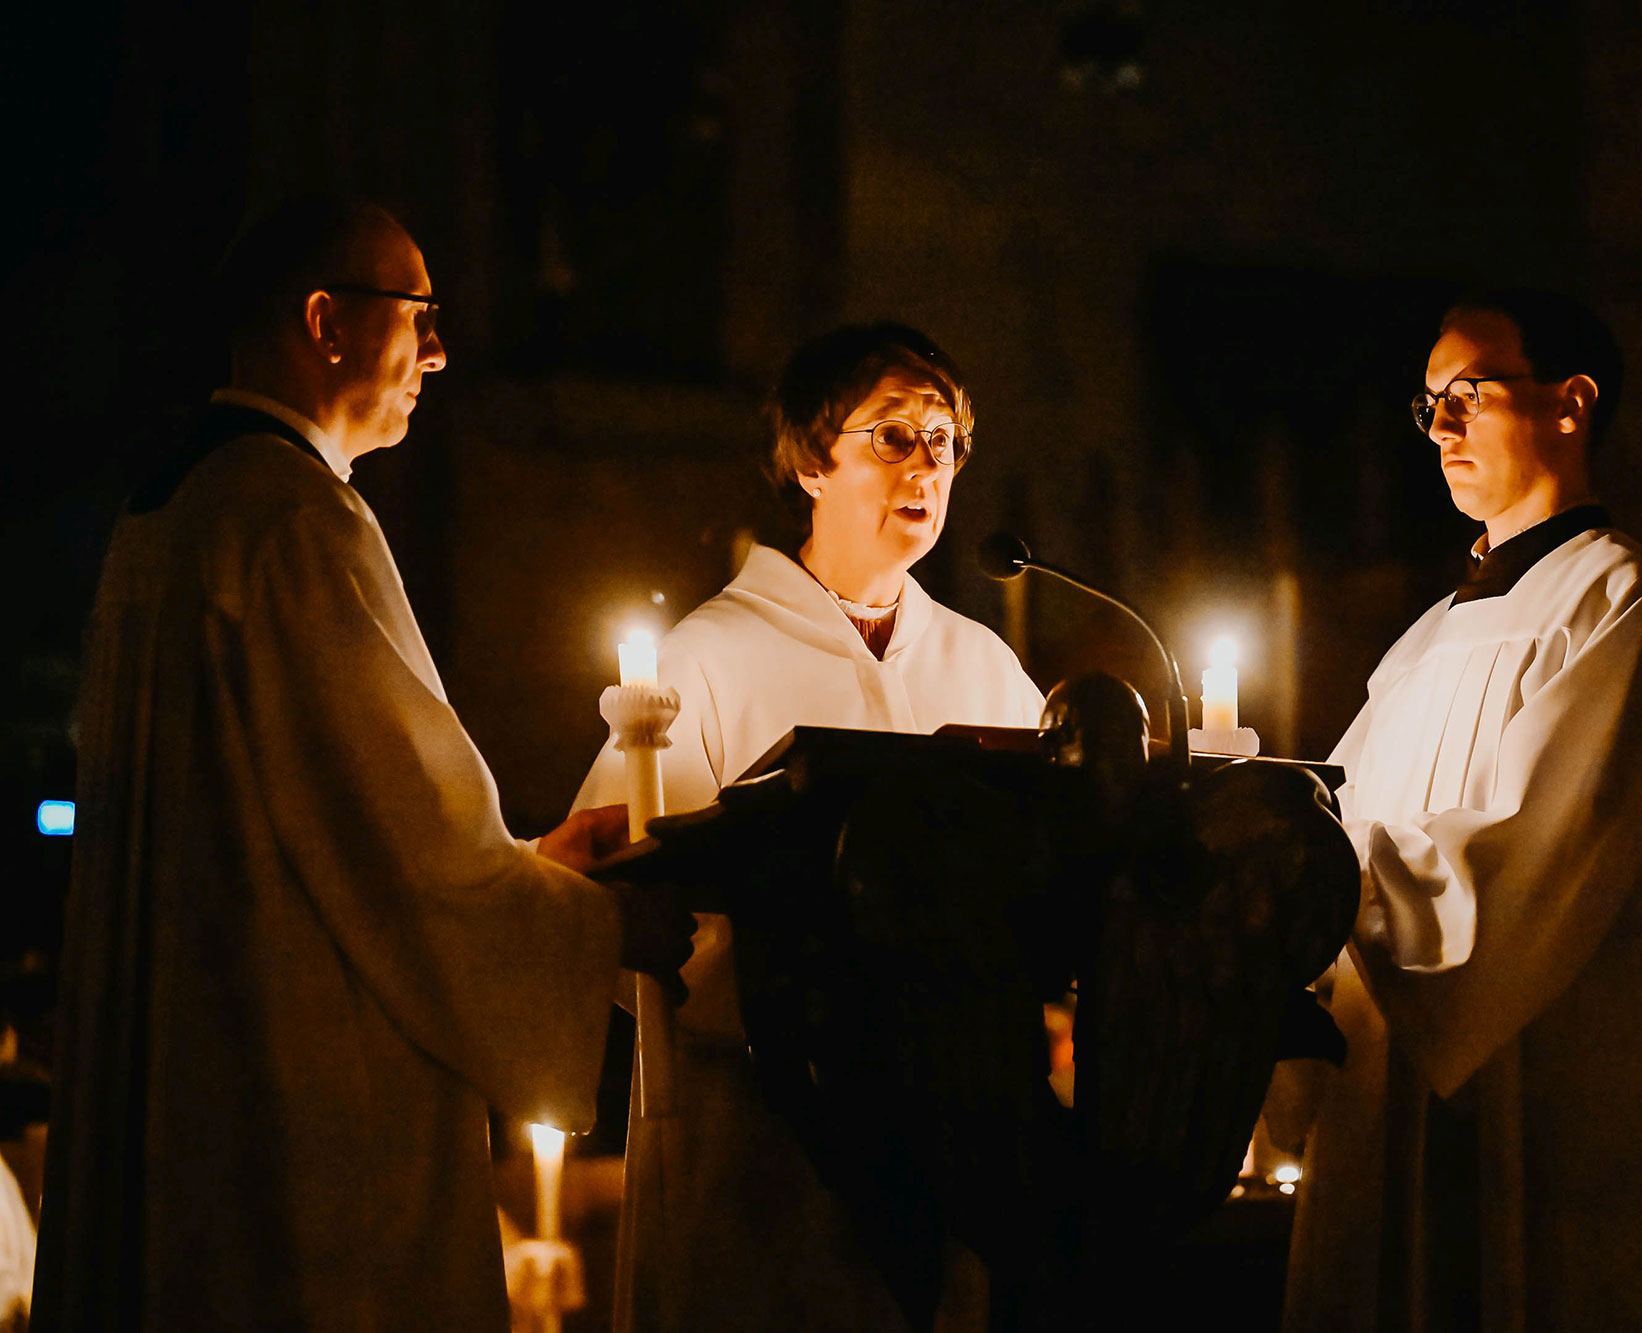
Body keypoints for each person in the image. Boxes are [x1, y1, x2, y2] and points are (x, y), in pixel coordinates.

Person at [33, 195, 690, 1331]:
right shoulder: (298, 522)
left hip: (188, 1073)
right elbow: (410, 859)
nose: (439, 352)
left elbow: (330, 827)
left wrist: (535, 867)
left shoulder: (172, 512)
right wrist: (599, 921)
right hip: (288, 1106)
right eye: (417, 314)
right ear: (326, 321)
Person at [1281, 291, 1642, 1330]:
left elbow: (1529, 862)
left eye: (1468, 392)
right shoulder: (1420, 647)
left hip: (1569, 1115)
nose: (1441, 427)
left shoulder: (1627, 605)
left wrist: (1317, 870)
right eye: (1428, 404)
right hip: (1393, 1106)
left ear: (1571, 401)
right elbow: (1327, 827)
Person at [570, 322, 1045, 1331]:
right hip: (756, 1133)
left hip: (948, 1131)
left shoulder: (984, 667)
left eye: (944, 440)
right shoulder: (704, 659)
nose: (926, 464)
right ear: (809, 462)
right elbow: (610, 902)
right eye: (892, 434)